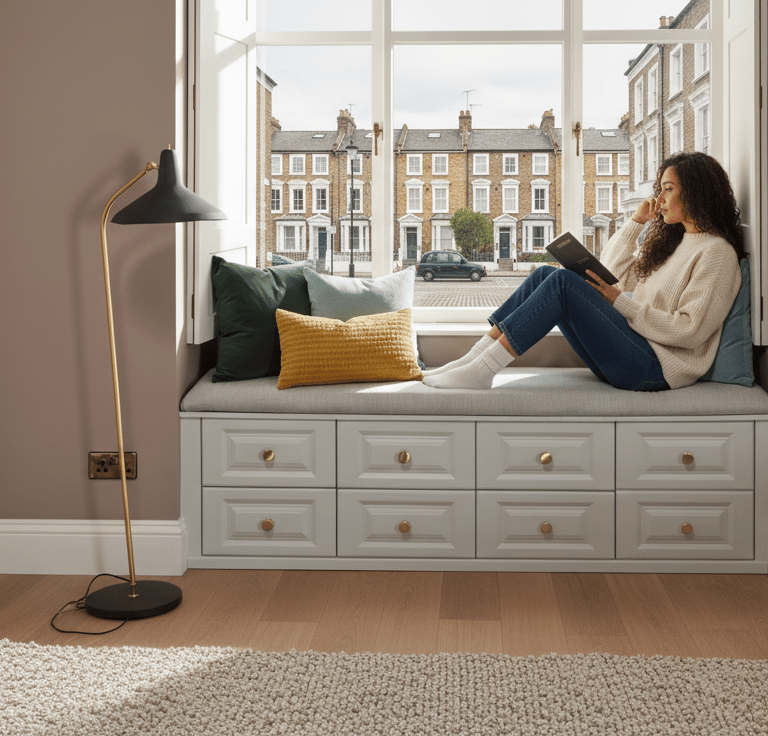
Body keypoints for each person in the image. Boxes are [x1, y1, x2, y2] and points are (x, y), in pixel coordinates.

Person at [422, 151, 745, 392]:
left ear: (697, 192)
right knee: (545, 275)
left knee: (563, 283)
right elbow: (612, 273)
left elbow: (689, 331)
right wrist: (635, 224)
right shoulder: (675, 242)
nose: (658, 199)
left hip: (656, 368)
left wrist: (621, 302)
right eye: (659, 189)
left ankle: (483, 370)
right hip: (633, 351)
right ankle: (474, 359)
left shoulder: (717, 253)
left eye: (668, 189)